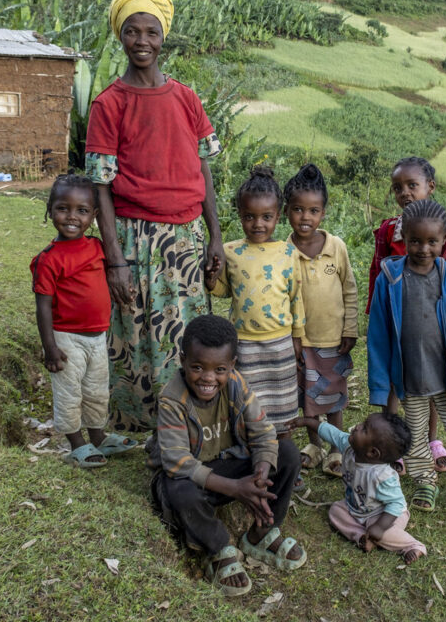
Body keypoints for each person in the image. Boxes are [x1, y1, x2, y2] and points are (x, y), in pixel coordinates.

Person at [85, 0, 225, 432]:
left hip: (185, 237)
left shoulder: (186, 98)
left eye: (151, 31)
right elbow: (101, 187)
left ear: (163, 36)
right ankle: (139, 424)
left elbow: (205, 174)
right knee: (136, 331)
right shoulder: (109, 104)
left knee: (185, 336)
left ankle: (185, 420)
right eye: (131, 31)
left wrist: (215, 239)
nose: (141, 41)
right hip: (134, 237)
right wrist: (116, 260)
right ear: (119, 36)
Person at [148, 315, 307, 597]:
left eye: (219, 369)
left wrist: (259, 475)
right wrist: (236, 488)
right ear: (183, 360)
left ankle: (260, 533)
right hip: (195, 480)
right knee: (177, 489)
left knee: (288, 453)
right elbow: (176, 462)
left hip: (230, 466)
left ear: (232, 365)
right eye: (197, 367)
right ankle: (218, 548)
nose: (208, 378)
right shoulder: (172, 399)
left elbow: (263, 433)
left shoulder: (236, 384)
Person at [367, 199, 446, 513]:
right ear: (404, 238)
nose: (423, 248)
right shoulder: (390, 280)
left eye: (432, 242)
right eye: (415, 241)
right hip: (411, 380)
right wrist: (381, 386)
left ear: (444, 241)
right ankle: (425, 479)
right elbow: (378, 337)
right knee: (415, 434)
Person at [30, 175, 137, 467]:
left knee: (96, 390)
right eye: (63, 208)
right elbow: (42, 307)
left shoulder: (97, 247)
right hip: (66, 338)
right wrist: (49, 347)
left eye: (82, 210)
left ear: (94, 215)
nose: (72, 217)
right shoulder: (48, 259)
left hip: (97, 337)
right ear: (50, 209)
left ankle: (99, 437)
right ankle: (76, 444)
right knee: (69, 392)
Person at [366, 156, 446, 476]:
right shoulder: (387, 231)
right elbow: (376, 272)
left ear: (429, 188)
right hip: (395, 322)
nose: (404, 192)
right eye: (397, 187)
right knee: (394, 380)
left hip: (431, 325)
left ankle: (429, 442)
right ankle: (392, 442)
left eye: (412, 185)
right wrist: (374, 313)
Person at [205, 165, 305, 436]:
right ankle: (249, 447)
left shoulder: (288, 252)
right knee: (247, 399)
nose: (258, 224)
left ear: (278, 216)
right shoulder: (230, 251)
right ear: (239, 215)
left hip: (280, 342)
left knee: (282, 400)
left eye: (266, 217)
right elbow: (224, 290)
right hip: (244, 342)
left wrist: (297, 337)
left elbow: (296, 298)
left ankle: (282, 447)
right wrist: (212, 281)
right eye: (249, 216)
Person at [283, 163, 358, 480]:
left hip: (332, 339)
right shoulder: (283, 252)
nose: (305, 217)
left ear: (323, 213)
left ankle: (337, 447)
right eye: (298, 210)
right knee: (306, 395)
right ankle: (313, 445)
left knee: (333, 396)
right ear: (286, 211)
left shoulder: (336, 247)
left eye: (313, 210)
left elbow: (350, 288)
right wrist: (291, 336)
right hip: (300, 340)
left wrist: (350, 328)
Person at [288, 413, 425, 564]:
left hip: (386, 515)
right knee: (335, 511)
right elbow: (331, 432)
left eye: (364, 429)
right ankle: (362, 536)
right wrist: (307, 422)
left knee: (384, 533)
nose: (358, 426)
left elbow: (397, 504)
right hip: (357, 509)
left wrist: (380, 526)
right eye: (363, 423)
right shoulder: (348, 446)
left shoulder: (382, 476)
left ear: (372, 452)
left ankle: (412, 546)